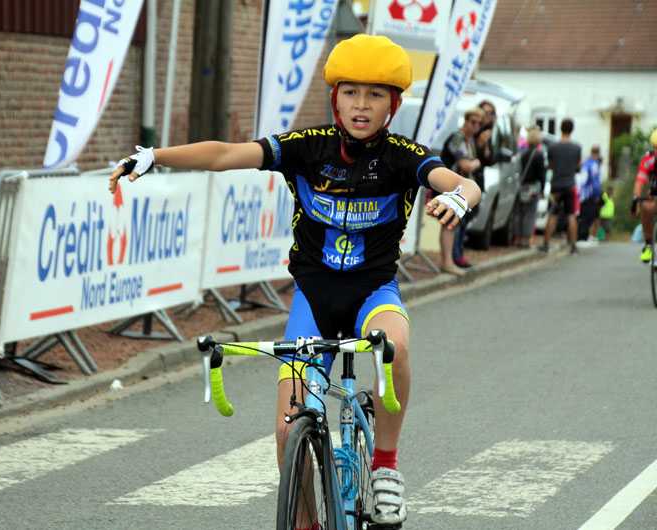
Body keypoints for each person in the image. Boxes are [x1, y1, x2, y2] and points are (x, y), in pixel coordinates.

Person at [108, 34, 481, 527]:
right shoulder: (307, 148)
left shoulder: (402, 155)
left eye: (374, 95)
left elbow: (461, 183)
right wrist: (156, 157)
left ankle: (386, 468)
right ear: (335, 98)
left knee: (396, 347)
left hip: (373, 292)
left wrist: (460, 197)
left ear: (392, 103)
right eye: (351, 92)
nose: (361, 105)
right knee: (289, 432)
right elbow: (224, 154)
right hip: (312, 297)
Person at [439, 107, 484, 273]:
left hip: (458, 190)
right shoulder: (457, 138)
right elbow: (465, 164)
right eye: (473, 121)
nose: (476, 126)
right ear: (466, 120)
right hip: (449, 188)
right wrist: (477, 163)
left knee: (457, 223)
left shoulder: (469, 140)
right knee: (450, 224)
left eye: (479, 123)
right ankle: (448, 262)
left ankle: (454, 258)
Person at [540, 118, 581, 254]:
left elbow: (550, 165)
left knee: (552, 214)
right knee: (571, 215)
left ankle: (546, 243)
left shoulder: (553, 147)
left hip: (556, 185)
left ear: (560, 129)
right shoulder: (576, 148)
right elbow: (578, 166)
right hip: (570, 185)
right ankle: (573, 245)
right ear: (572, 130)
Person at [514, 126, 546, 248]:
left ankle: (518, 237)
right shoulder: (538, 155)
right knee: (530, 213)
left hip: (521, 186)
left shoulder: (523, 153)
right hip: (532, 186)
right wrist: (542, 189)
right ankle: (526, 239)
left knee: (520, 213)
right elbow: (542, 174)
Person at [630, 128, 657, 262]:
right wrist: (635, 202)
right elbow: (640, 182)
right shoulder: (649, 158)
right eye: (656, 148)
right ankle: (648, 244)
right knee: (647, 207)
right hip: (655, 191)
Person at [576, 145, 602, 247]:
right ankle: (582, 238)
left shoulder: (585, 163)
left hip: (582, 194)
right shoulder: (594, 164)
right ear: (598, 153)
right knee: (588, 216)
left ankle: (584, 236)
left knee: (584, 215)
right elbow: (596, 181)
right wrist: (598, 194)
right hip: (589, 194)